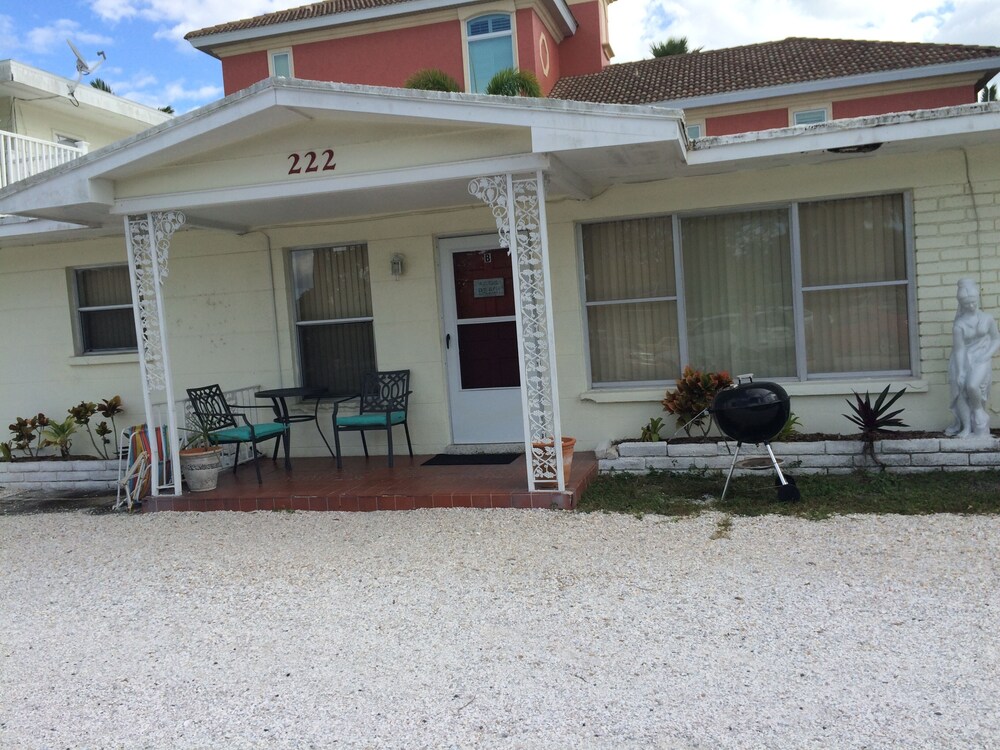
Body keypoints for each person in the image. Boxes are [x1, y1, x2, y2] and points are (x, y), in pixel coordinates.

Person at [945, 278, 1000, 438]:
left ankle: (978, 411)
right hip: (962, 360)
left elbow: (997, 338)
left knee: (972, 386)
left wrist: (987, 354)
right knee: (961, 390)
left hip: (981, 358)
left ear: (977, 300)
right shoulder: (959, 325)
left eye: (973, 302)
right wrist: (961, 371)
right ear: (961, 304)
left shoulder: (987, 318)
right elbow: (959, 350)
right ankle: (966, 427)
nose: (971, 306)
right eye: (967, 304)